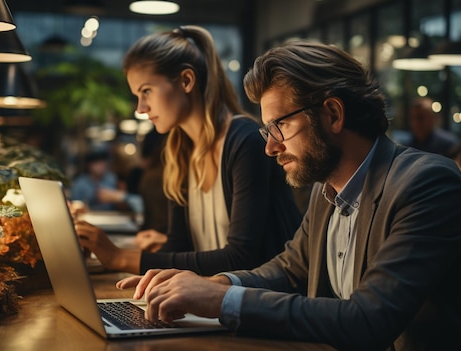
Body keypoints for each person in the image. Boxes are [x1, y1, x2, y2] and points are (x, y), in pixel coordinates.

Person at [115, 41, 461, 350]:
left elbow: (367, 320)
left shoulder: (426, 184)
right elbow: (289, 270)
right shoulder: (326, 187)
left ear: (333, 114)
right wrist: (214, 283)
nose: (270, 148)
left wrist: (219, 302)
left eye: (279, 127)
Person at [73, 25, 302, 276]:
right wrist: (105, 261)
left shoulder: (245, 141)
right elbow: (179, 246)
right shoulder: (180, 151)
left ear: (186, 80)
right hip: (210, 301)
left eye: (146, 91)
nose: (140, 108)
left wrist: (120, 258)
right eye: (137, 95)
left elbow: (241, 257)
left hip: (259, 306)